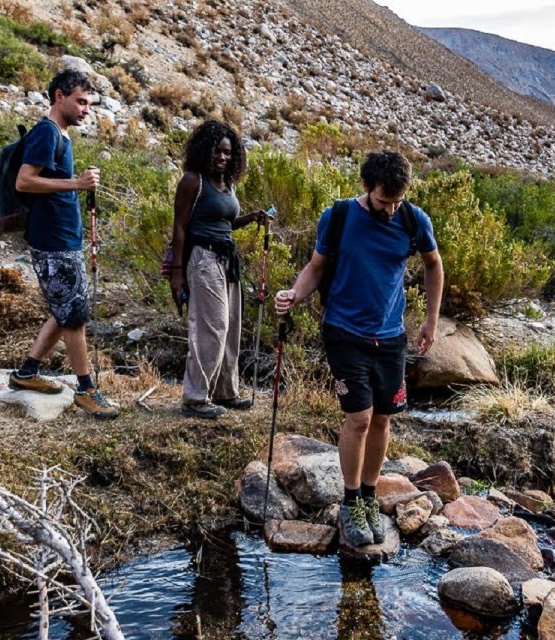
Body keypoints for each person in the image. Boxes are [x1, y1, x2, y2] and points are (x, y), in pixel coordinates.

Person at [275, 151, 443, 547]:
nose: (391, 210)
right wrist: (294, 295)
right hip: (344, 330)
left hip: (390, 335)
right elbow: (316, 267)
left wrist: (431, 321)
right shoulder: (339, 216)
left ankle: (369, 496)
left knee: (384, 418)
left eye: (398, 201)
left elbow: (434, 265)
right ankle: (351, 502)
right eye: (385, 202)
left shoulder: (413, 219)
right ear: (368, 188)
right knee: (361, 418)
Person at [9, 69, 119, 420]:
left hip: (65, 239)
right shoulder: (45, 133)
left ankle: (26, 373)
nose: (86, 109)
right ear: (60, 96)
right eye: (80, 101)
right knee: (74, 317)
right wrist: (76, 184)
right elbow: (24, 182)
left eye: (89, 103)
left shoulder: (62, 136)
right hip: (52, 241)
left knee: (67, 307)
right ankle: (87, 390)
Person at [166, 120, 266, 419]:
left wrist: (251, 218)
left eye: (228, 152)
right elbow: (180, 228)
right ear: (204, 151)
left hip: (227, 260)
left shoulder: (228, 184)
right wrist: (177, 271)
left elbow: (225, 222)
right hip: (203, 258)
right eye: (217, 152)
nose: (222, 157)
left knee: (231, 326)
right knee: (212, 326)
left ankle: (225, 391)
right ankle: (195, 398)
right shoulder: (192, 181)